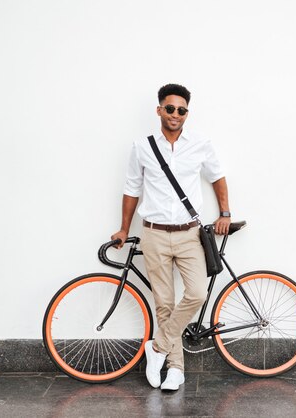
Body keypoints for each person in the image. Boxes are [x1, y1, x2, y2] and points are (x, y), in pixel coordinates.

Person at [111, 84, 231, 391]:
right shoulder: (143, 146)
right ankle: (176, 369)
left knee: (196, 294)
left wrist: (225, 213)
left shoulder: (200, 143)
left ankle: (158, 347)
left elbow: (217, 176)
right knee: (163, 304)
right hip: (153, 234)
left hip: (189, 234)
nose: (175, 114)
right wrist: (125, 229)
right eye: (170, 108)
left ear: (186, 113)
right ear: (159, 110)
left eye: (181, 110)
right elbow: (131, 188)